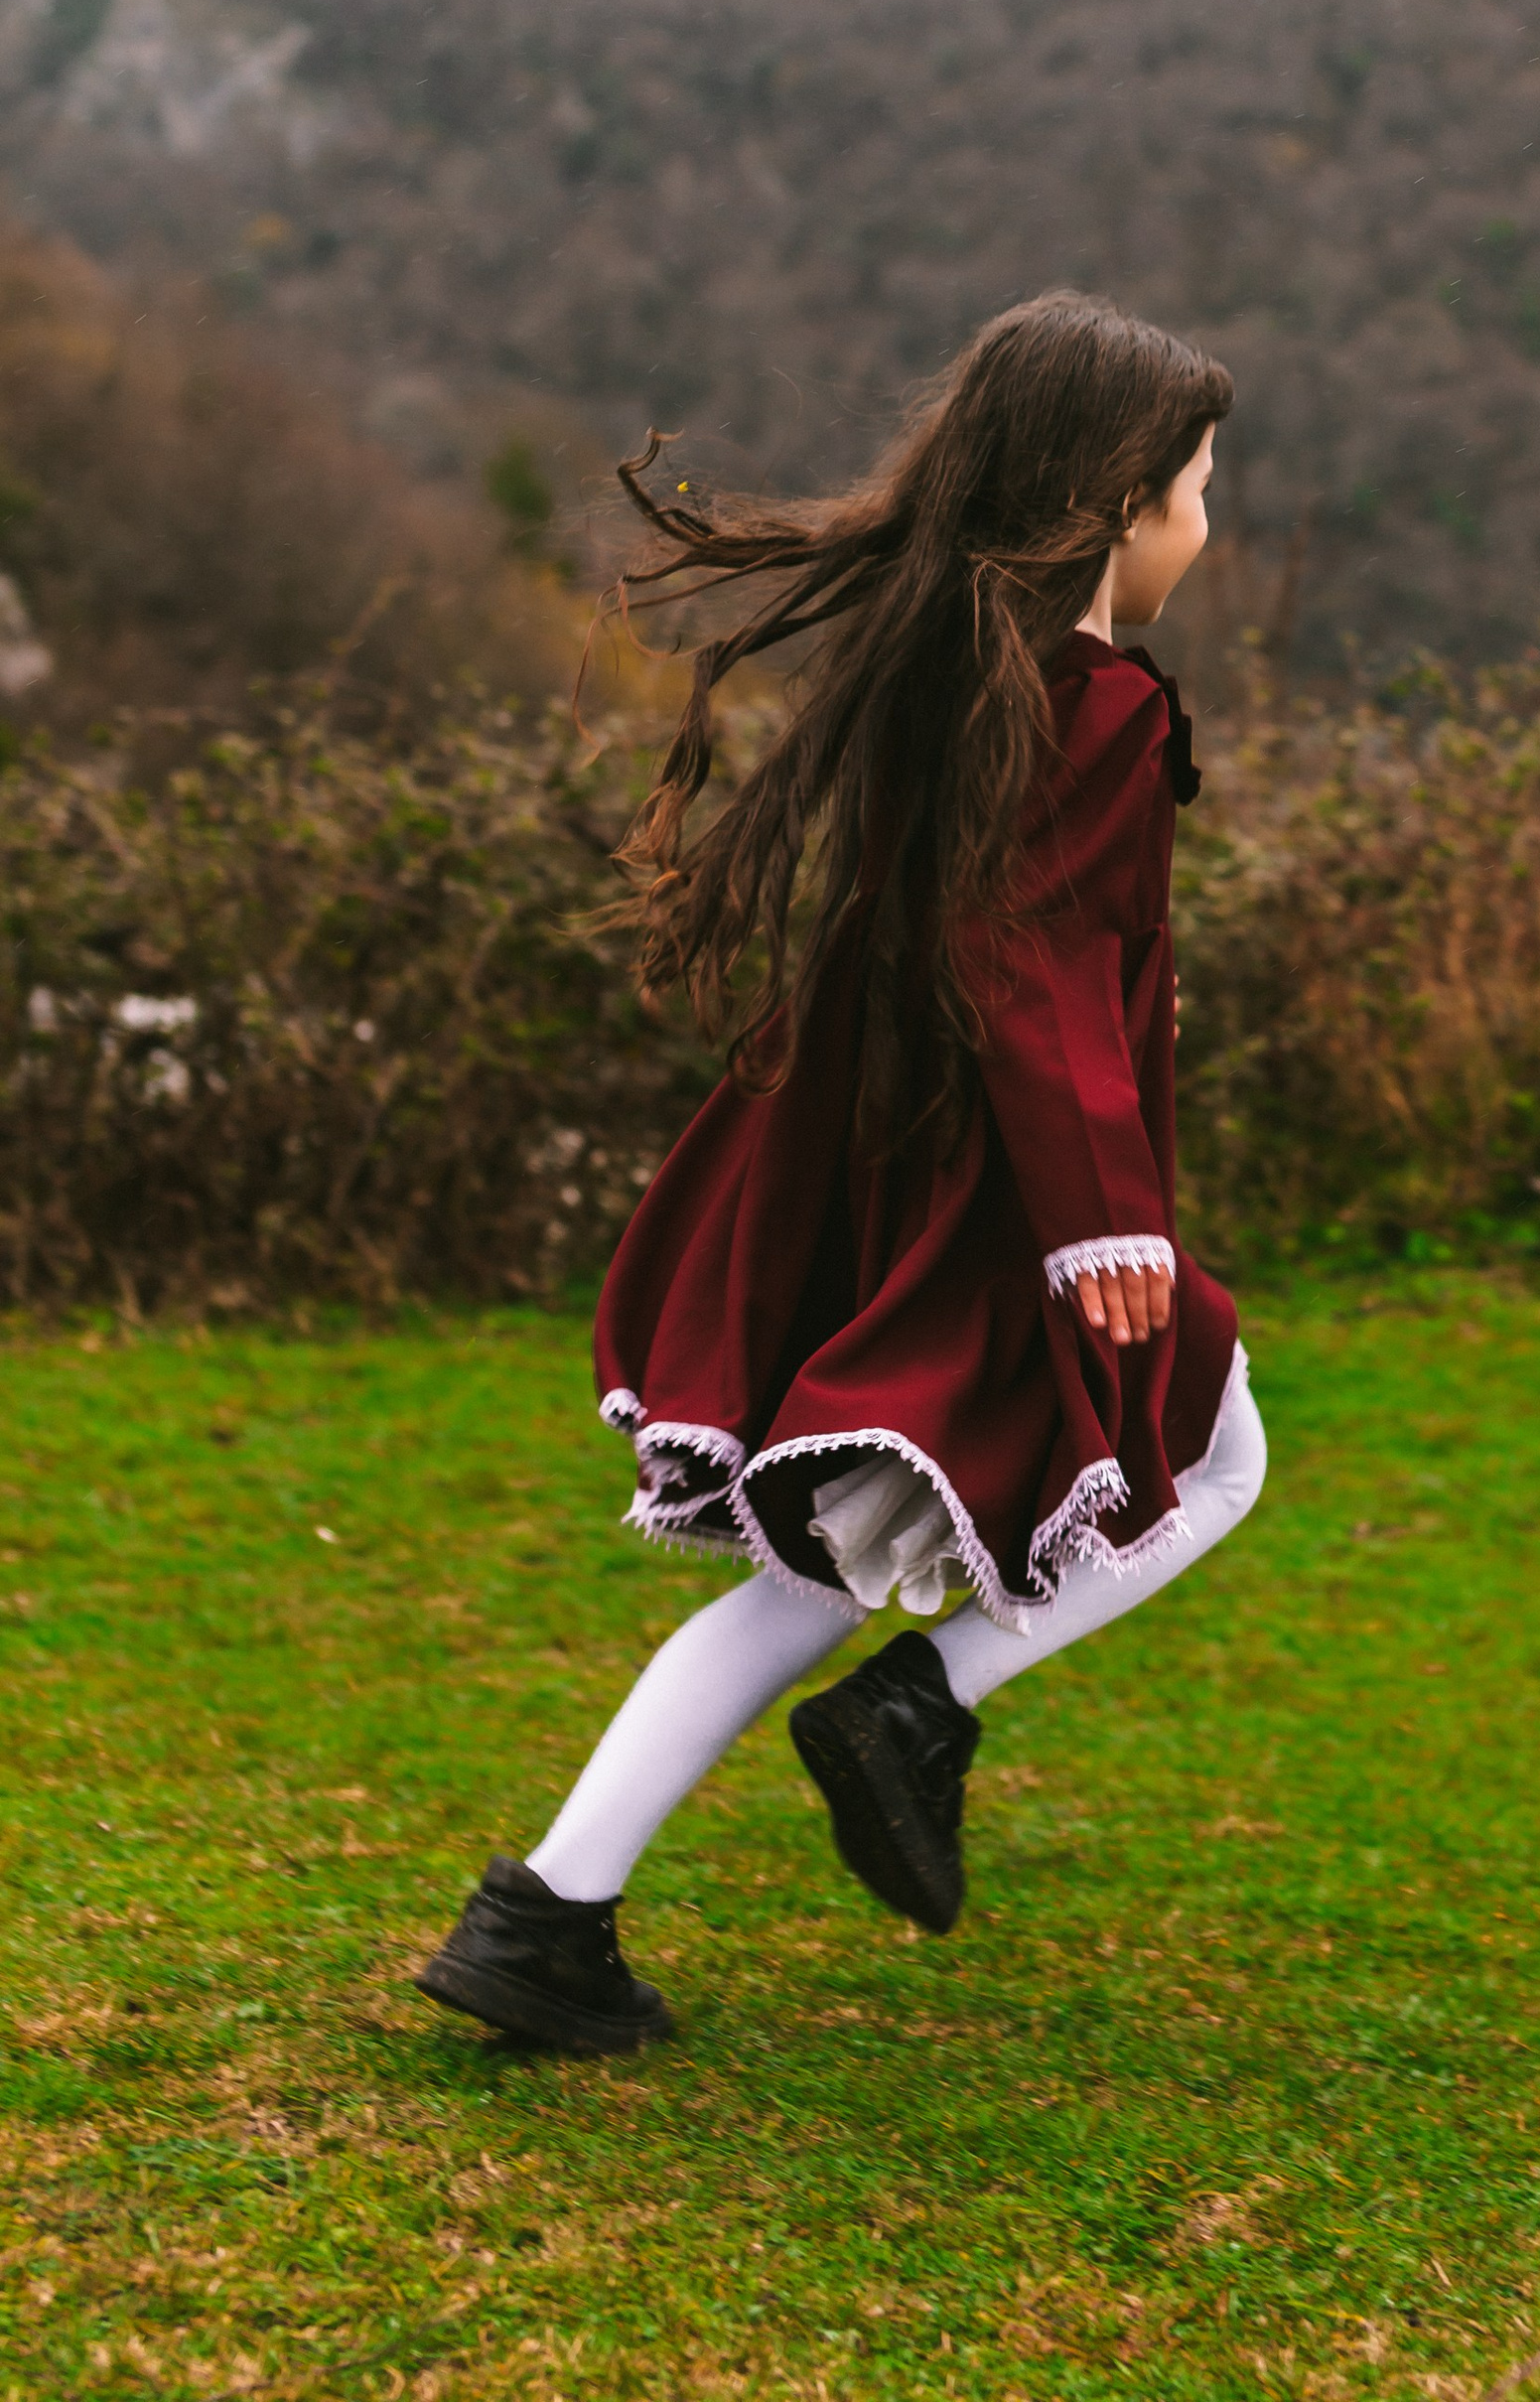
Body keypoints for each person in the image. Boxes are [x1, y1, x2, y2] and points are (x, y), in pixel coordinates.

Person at [417, 291, 1261, 2054]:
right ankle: (914, 1713)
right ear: (1118, 506)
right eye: (1196, 484)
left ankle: (543, 1916)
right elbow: (1036, 958)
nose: (1210, 518)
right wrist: (1104, 1210)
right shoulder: (1087, 705)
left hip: (881, 1150)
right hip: (1002, 1190)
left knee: (809, 1574)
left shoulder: (953, 663)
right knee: (1221, 1451)